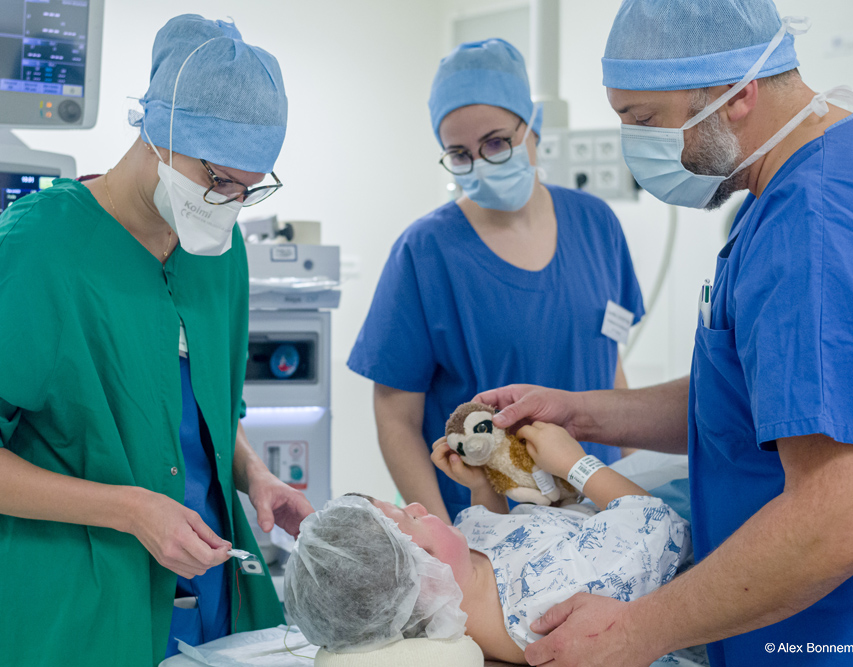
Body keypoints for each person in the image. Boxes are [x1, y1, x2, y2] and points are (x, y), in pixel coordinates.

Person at [474, 1, 853, 666]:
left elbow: (840, 520)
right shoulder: (813, 184)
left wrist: (637, 630)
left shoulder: (820, 223)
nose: (634, 146)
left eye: (642, 121)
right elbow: (762, 397)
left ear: (738, 93)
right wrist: (581, 411)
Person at [0, 15, 313, 665]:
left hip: (210, 592)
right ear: (158, 130)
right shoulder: (40, 248)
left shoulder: (217, 251)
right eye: (218, 180)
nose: (227, 202)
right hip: (77, 607)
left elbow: (199, 407)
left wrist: (254, 476)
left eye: (249, 189)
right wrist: (130, 509)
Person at [348, 38, 644, 522]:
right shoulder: (425, 252)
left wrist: (633, 493)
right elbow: (397, 420)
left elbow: (609, 368)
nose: (482, 162)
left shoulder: (596, 224)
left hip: (598, 510)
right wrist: (444, 542)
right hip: (485, 523)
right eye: (460, 154)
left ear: (533, 127)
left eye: (496, 143)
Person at [283, 423, 698, 666]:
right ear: (424, 572)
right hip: (673, 525)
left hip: (597, 514)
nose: (414, 504)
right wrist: (575, 463)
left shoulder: (463, 574)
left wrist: (482, 487)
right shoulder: (542, 601)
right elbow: (661, 527)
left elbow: (495, 533)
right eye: (411, 518)